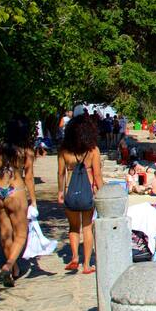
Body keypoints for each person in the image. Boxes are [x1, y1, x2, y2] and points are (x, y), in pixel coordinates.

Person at [0, 118, 37, 287]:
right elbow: (28, 178)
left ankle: (13, 268)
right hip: (15, 190)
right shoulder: (26, 151)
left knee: (5, 231)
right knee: (21, 234)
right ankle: (8, 265)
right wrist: (33, 201)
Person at [58, 113, 104, 274]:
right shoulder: (93, 150)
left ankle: (75, 257)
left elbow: (61, 173)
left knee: (73, 227)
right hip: (87, 194)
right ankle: (86, 265)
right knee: (87, 227)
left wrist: (60, 192)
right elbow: (97, 176)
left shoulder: (64, 151)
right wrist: (103, 193)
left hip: (71, 192)